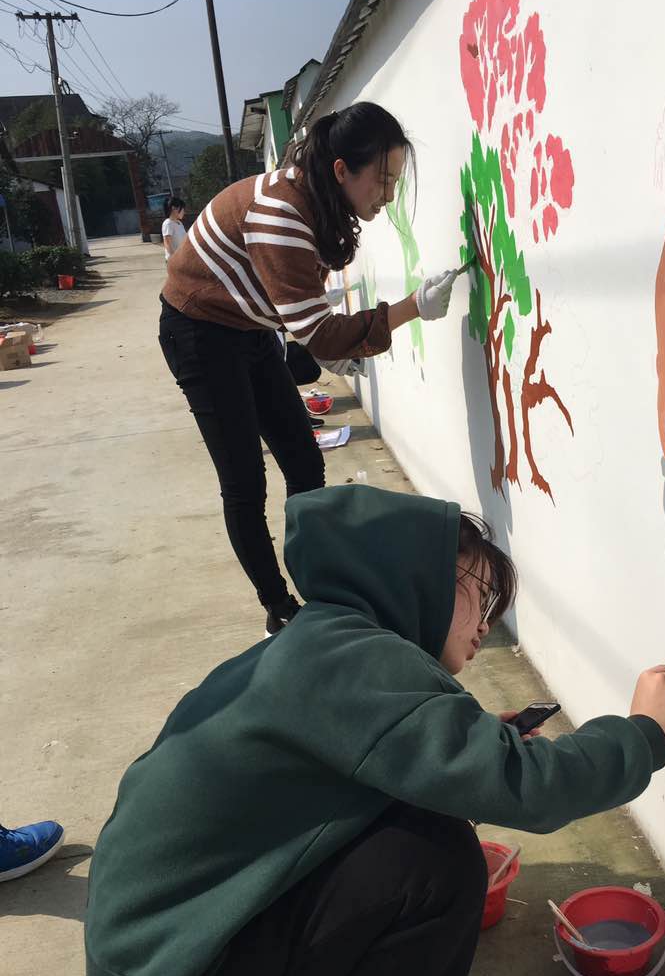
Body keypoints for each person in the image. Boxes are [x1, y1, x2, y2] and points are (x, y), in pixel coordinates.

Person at [84, 484, 665, 976]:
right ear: (415, 578)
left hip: (153, 968)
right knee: (436, 864)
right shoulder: (358, 666)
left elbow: (366, 762)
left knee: (419, 819)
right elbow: (529, 788)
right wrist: (641, 734)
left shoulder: (320, 642)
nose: (488, 625)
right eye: (480, 597)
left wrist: (468, 746)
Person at [158, 102, 458, 637]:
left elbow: (311, 319)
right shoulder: (281, 215)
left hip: (249, 325)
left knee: (301, 457)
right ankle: (279, 608)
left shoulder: (316, 196)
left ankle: (319, 583)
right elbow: (319, 336)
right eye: (383, 180)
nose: (388, 196)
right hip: (199, 330)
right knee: (244, 481)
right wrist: (412, 306)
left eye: (395, 182)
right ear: (341, 169)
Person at [160, 196, 187, 262]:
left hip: (181, 258)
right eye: (182, 210)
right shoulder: (168, 223)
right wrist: (174, 258)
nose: (184, 212)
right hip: (174, 261)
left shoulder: (179, 223)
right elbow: (167, 243)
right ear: (174, 208)